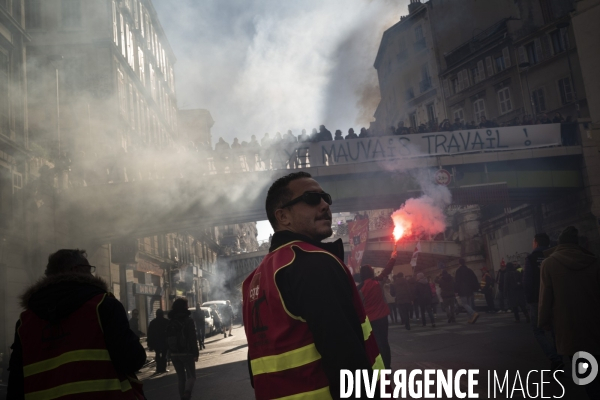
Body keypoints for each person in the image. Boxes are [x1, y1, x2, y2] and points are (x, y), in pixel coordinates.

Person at [242, 172, 383, 400]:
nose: (325, 205)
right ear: (283, 217)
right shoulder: (311, 262)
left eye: (325, 197)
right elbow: (346, 361)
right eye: (311, 198)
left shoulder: (254, 280)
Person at [7, 249, 146, 399]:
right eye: (89, 269)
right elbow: (132, 360)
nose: (92, 274)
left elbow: (16, 383)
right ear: (76, 270)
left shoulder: (25, 321)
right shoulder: (102, 305)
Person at [539, 226, 600, 400]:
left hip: (568, 324)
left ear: (559, 244)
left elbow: (545, 297)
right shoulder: (593, 261)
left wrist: (543, 322)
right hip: (595, 321)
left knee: (583, 367)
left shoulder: (549, 263)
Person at [523, 233, 562, 371]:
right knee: (555, 329)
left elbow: (528, 281)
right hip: (554, 297)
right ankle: (559, 357)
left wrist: (528, 299)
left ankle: (555, 358)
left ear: (536, 243)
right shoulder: (553, 257)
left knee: (537, 330)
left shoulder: (531, 258)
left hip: (536, 299)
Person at [358, 251, 398, 369]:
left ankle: (375, 364)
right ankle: (387, 365)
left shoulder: (359, 289)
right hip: (382, 317)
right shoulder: (377, 282)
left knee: (372, 343)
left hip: (369, 319)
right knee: (384, 342)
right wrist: (393, 258)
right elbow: (387, 270)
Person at [167, 298, 200, 400]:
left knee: (181, 378)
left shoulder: (171, 321)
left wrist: (169, 353)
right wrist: (195, 352)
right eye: (187, 305)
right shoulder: (188, 320)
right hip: (187, 353)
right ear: (184, 307)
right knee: (191, 377)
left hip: (174, 353)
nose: (188, 306)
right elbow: (192, 337)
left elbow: (167, 337)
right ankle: (187, 393)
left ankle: (182, 398)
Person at [454, 258, 480, 323]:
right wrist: (475, 288)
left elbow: (457, 282)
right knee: (469, 304)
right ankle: (470, 319)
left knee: (464, 304)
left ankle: (473, 313)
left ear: (459, 263)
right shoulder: (469, 270)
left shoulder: (458, 271)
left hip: (462, 290)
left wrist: (456, 290)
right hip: (470, 290)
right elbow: (474, 279)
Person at [147, 309, 170, 374]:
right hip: (164, 341)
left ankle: (159, 368)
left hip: (156, 342)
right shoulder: (166, 321)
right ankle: (163, 368)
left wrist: (150, 343)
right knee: (164, 354)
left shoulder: (153, 322)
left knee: (157, 354)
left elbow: (150, 334)